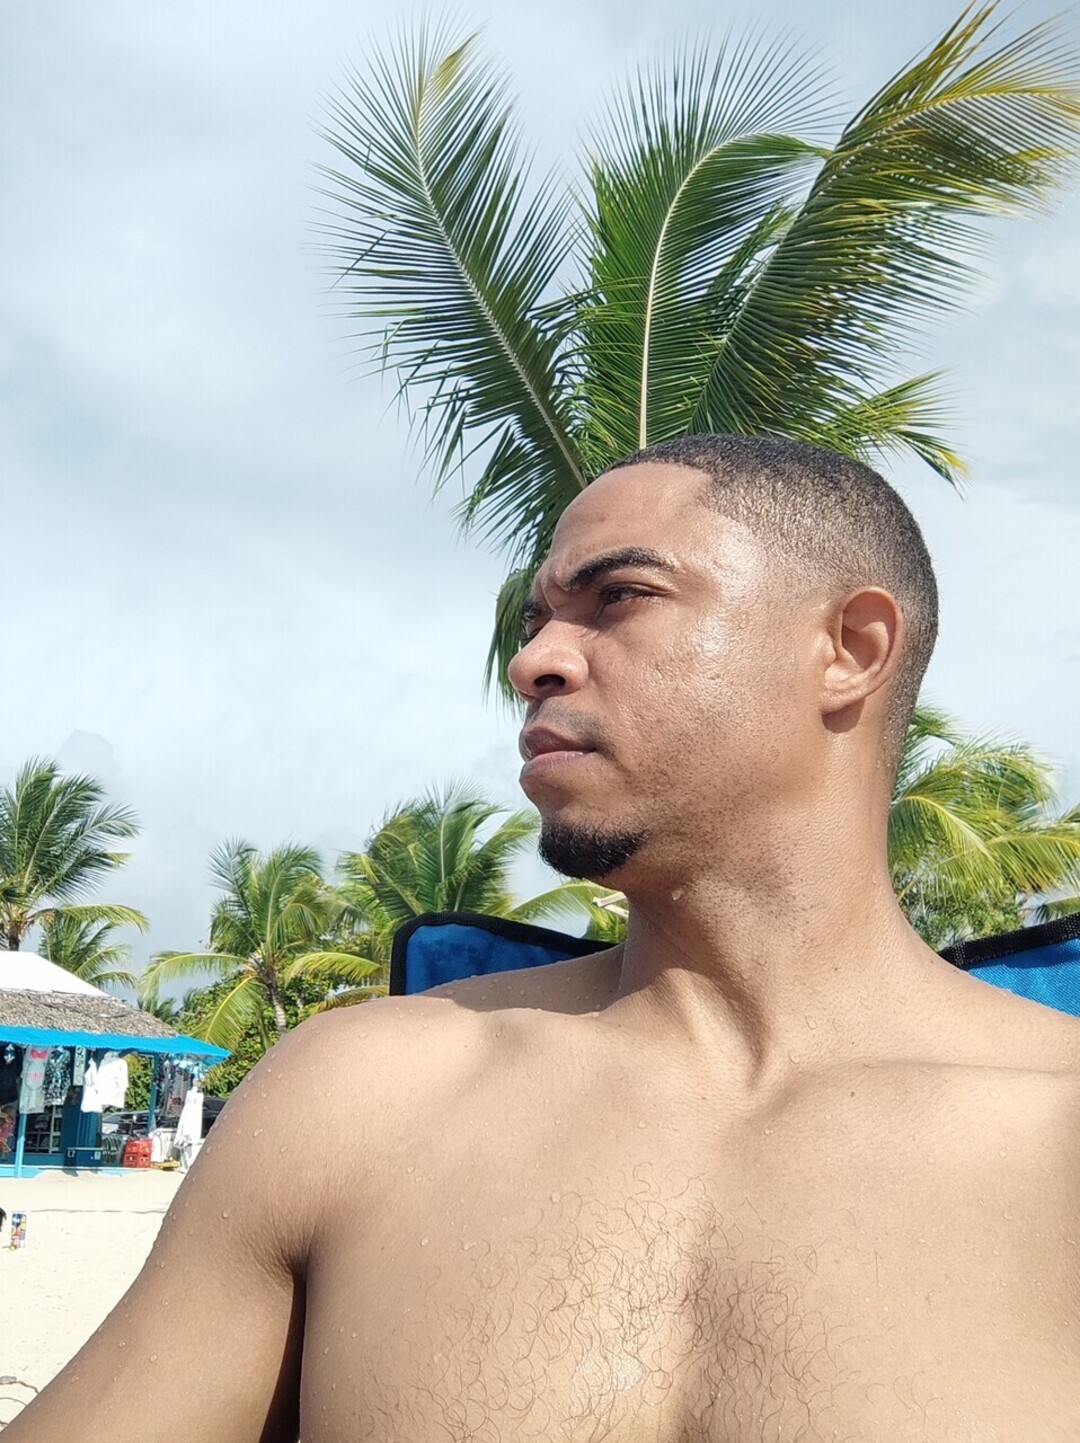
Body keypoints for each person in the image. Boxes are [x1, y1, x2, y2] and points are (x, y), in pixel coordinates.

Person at [11, 435, 1079, 1442]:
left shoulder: (1055, 1140)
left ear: (850, 650)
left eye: (621, 597)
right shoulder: (359, 1097)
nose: (532, 663)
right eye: (536, 621)